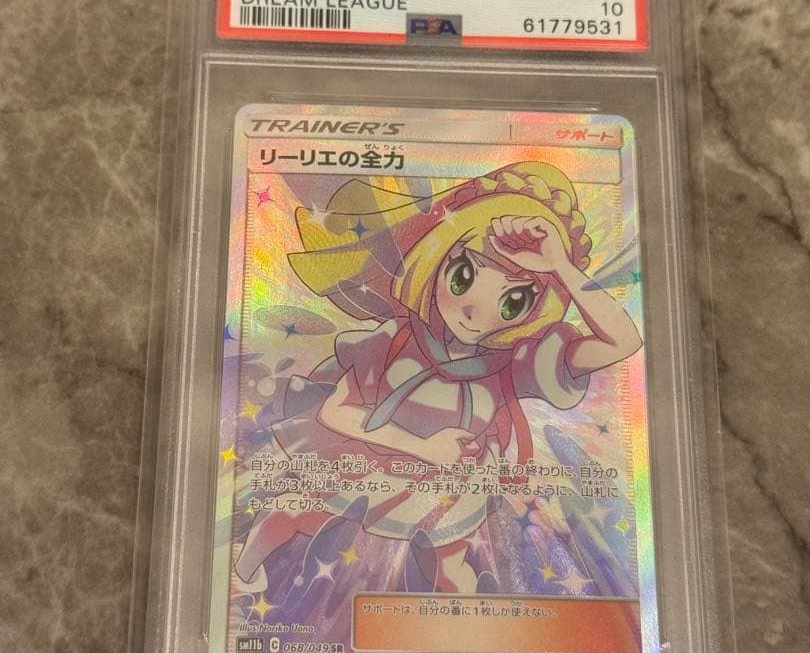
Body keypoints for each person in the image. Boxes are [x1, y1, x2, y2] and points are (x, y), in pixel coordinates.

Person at [234, 161, 641, 598]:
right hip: (374, 459)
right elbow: (335, 412)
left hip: (448, 485)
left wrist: (560, 265)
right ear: (437, 260)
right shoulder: (396, 340)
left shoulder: (515, 364)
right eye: (463, 276)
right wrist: (423, 446)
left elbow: (624, 341)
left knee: (450, 568)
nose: (474, 312)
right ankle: (239, 579)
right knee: (292, 513)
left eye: (513, 300)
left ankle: (467, 631)